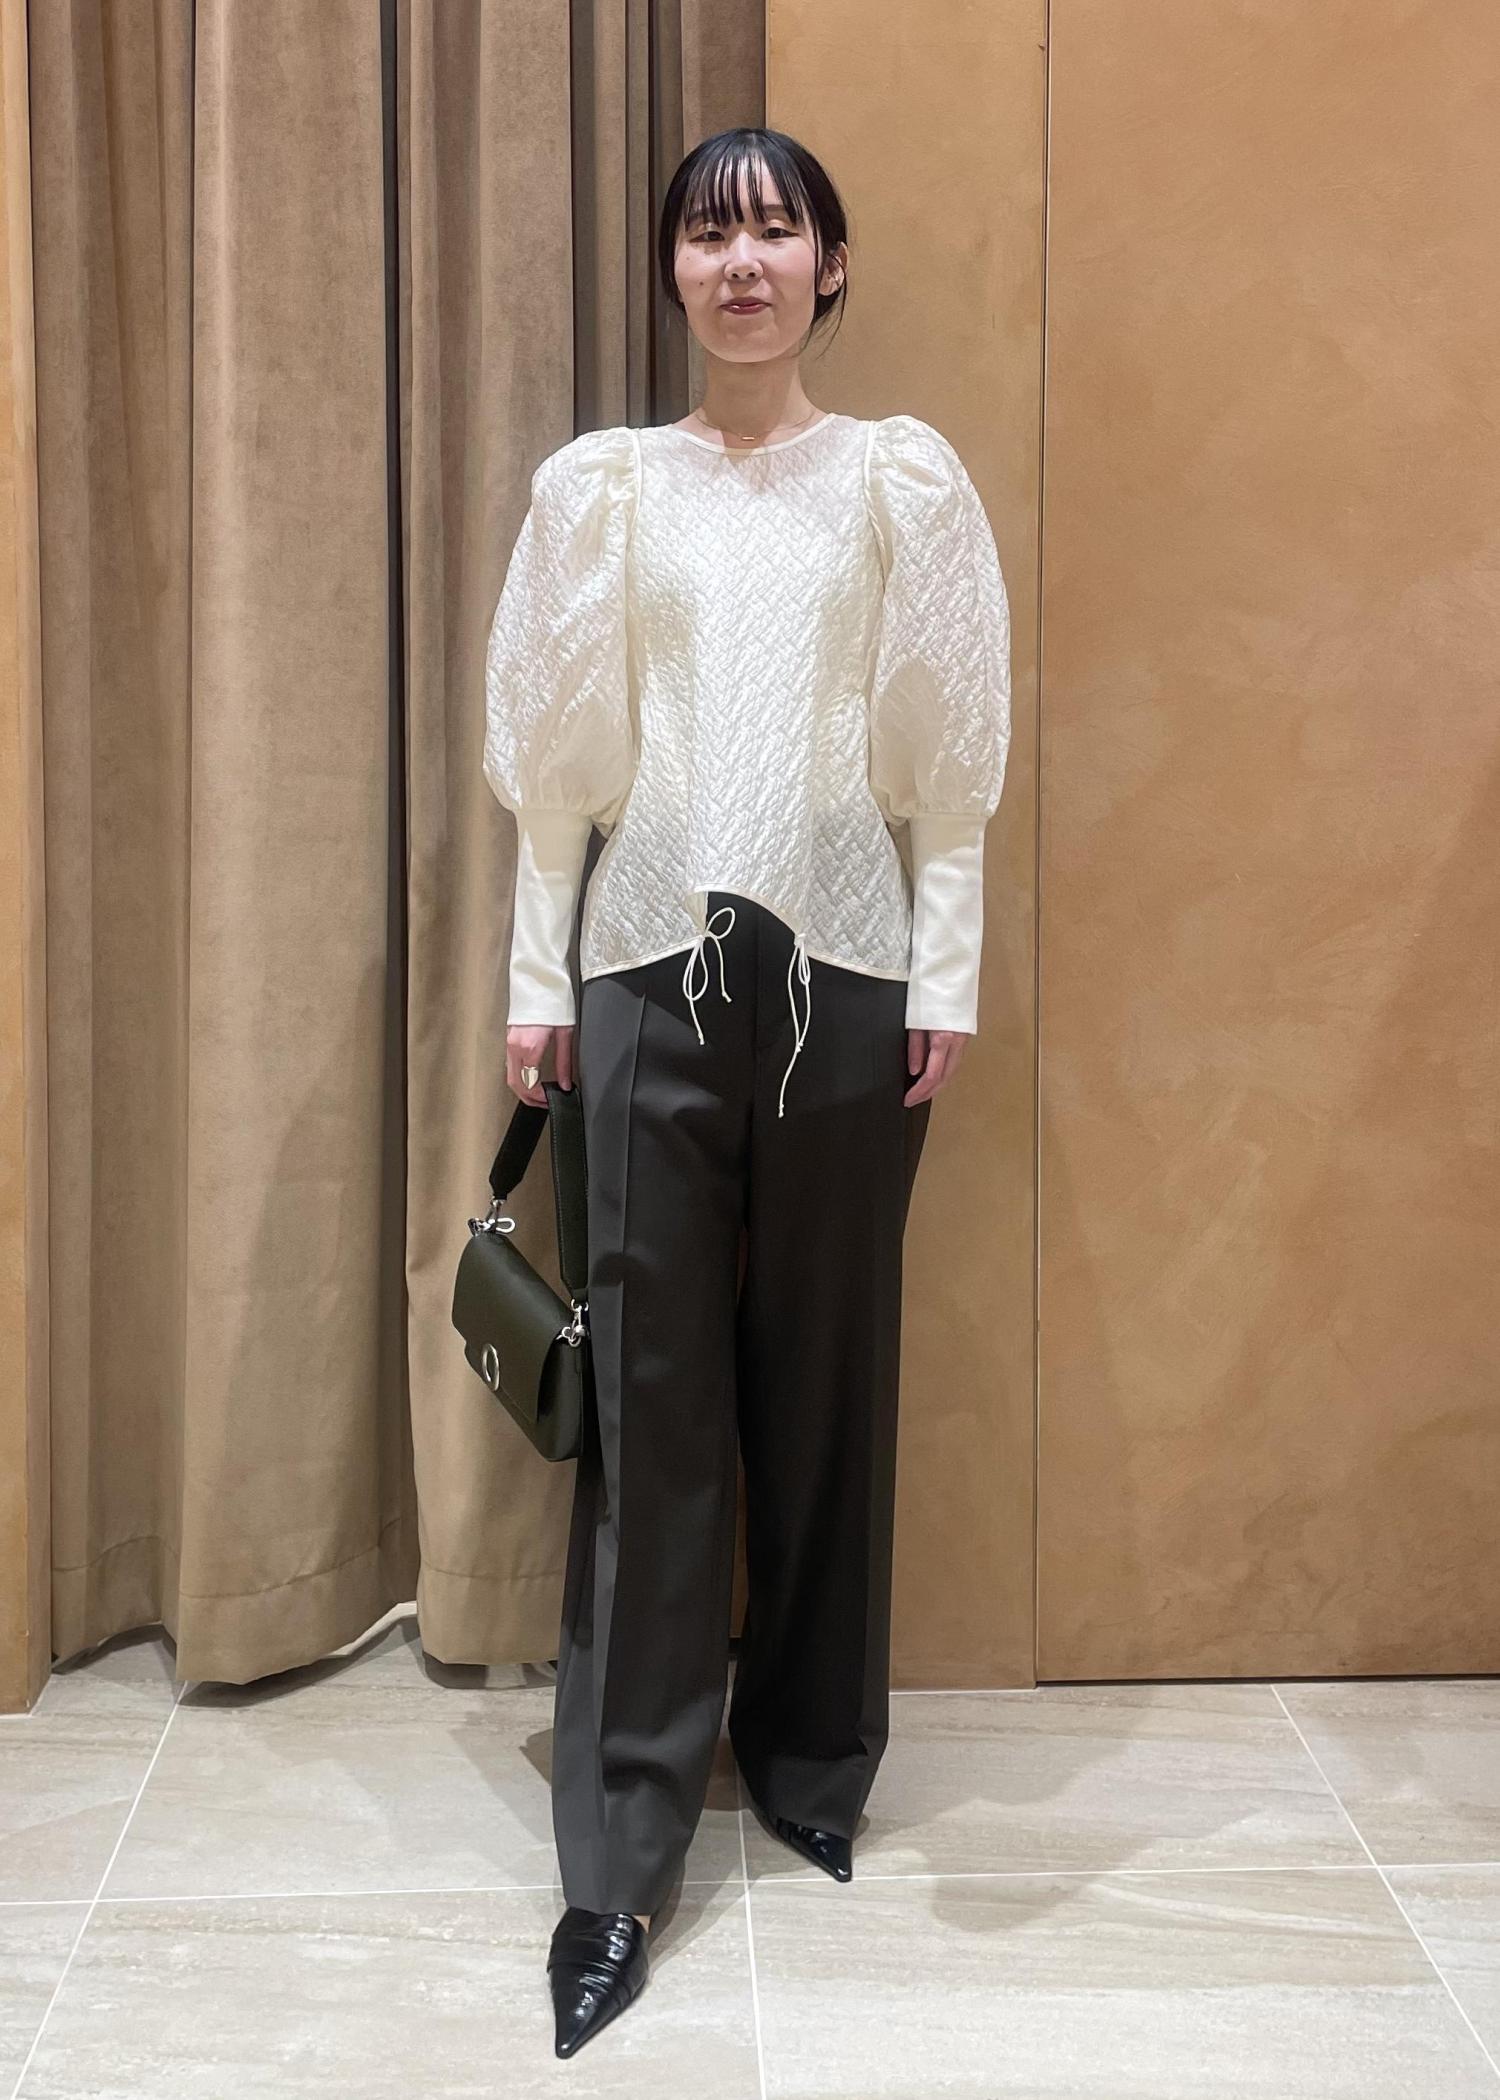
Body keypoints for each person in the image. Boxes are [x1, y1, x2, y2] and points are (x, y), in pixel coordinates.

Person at [482, 124, 1012, 2059]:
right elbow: (559, 760)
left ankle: (808, 1755)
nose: (742, 262)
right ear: (675, 274)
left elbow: (944, 749)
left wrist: (943, 974)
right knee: (649, 1409)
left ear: (830, 267)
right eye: (710, 233)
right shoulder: (605, 492)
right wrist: (536, 984)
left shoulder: (900, 482)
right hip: (642, 967)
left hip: (852, 979)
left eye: (776, 229)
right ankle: (619, 1859)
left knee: (827, 1379)